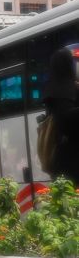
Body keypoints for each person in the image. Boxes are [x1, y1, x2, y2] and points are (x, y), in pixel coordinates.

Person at [44, 45, 79, 184]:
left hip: (62, 161)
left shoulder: (53, 88)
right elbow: (66, 119)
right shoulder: (63, 90)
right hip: (72, 160)